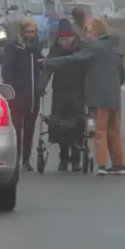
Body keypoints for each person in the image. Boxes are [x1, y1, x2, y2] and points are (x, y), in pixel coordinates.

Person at [46, 16, 125, 175]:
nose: (87, 35)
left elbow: (74, 58)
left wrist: (49, 62)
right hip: (114, 97)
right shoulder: (114, 48)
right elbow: (123, 76)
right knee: (114, 131)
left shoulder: (94, 48)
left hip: (99, 97)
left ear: (96, 31)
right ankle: (119, 164)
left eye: (89, 31)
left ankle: (102, 165)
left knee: (100, 132)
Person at [44, 19, 88, 171]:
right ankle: (63, 158)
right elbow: (47, 69)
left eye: (66, 39)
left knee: (77, 124)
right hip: (60, 90)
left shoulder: (81, 49)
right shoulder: (55, 50)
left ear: (72, 38)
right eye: (61, 40)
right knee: (59, 124)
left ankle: (76, 158)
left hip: (78, 90)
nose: (63, 43)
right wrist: (41, 86)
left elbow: (87, 70)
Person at [0, 18, 43, 171]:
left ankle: (26, 158)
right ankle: (16, 158)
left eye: (33, 32)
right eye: (28, 32)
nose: (31, 35)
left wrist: (41, 84)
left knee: (30, 129)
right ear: (22, 32)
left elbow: (41, 68)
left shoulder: (36, 49)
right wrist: (10, 89)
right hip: (18, 95)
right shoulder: (14, 48)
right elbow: (7, 70)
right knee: (17, 128)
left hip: (33, 95)